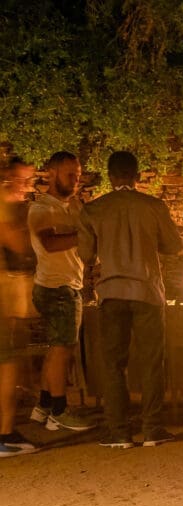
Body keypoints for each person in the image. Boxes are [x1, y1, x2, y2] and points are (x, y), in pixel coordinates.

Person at [78, 150, 183, 448]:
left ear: (110, 176)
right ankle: (152, 429)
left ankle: (119, 432)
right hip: (147, 292)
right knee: (152, 362)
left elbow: (85, 255)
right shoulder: (154, 206)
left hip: (111, 293)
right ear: (137, 176)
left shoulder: (93, 210)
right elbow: (174, 246)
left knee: (113, 364)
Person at [28, 151, 95, 432]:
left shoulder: (76, 206)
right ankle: (59, 410)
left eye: (78, 175)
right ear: (52, 173)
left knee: (56, 349)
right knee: (62, 350)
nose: (76, 180)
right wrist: (83, 236)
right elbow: (50, 244)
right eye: (70, 175)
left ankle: (43, 406)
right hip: (56, 287)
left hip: (69, 285)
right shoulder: (41, 208)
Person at [0, 157, 38, 456]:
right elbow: (18, 245)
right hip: (5, 297)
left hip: (11, 296)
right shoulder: (5, 207)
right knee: (8, 363)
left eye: (30, 180)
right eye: (22, 180)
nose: (26, 186)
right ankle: (5, 434)